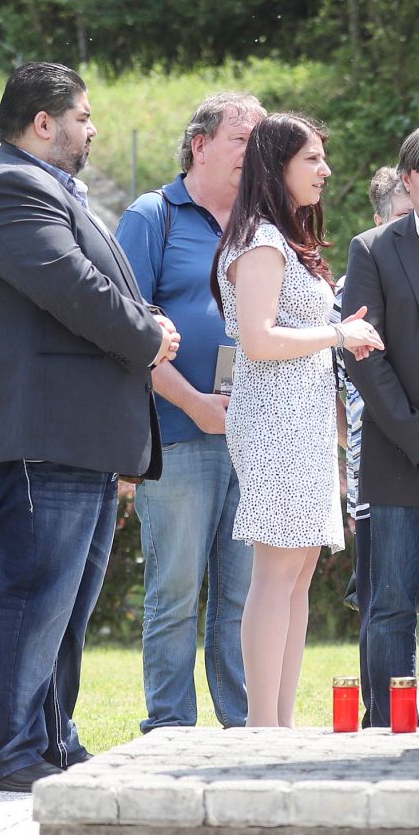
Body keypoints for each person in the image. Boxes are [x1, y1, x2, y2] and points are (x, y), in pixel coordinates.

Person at [0, 62, 179, 791]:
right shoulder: (10, 189)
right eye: (82, 115)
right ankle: (8, 752)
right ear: (42, 123)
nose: (92, 127)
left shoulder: (41, 189)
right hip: (38, 438)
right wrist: (147, 335)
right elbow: (74, 289)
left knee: (64, 610)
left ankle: (50, 744)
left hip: (71, 440)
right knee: (35, 595)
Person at [213, 113, 382, 727]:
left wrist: (337, 339)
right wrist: (337, 331)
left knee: (300, 570)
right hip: (273, 420)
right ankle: (263, 725)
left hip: (304, 420)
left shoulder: (285, 239)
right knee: (277, 567)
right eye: (312, 159)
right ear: (277, 165)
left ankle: (281, 722)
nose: (325, 170)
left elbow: (295, 335)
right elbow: (257, 340)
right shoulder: (259, 239)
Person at [116, 92, 265, 733]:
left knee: (240, 600)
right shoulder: (153, 217)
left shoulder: (263, 223)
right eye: (241, 139)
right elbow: (123, 332)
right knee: (175, 596)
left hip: (256, 439)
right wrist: (198, 405)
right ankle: (170, 730)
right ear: (200, 144)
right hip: (178, 436)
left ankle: (243, 726)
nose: (253, 152)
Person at [341, 120, 419, 728]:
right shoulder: (375, 249)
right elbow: (365, 360)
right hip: (398, 449)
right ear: (407, 182)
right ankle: (388, 727)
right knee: (388, 605)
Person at [337, 166, 414, 613]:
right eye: (403, 217)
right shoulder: (349, 292)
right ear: (380, 222)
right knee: (383, 606)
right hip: (375, 472)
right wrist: (354, 452)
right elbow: (336, 392)